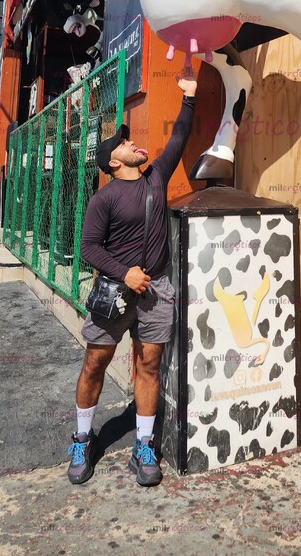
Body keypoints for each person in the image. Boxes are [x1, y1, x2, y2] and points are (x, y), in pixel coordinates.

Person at [67, 72, 197, 486]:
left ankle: (143, 446)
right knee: (96, 363)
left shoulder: (156, 176)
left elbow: (179, 135)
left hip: (156, 290)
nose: (132, 142)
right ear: (114, 162)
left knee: (149, 364)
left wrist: (189, 99)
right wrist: (124, 272)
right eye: (124, 143)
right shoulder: (102, 199)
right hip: (115, 293)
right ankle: (83, 438)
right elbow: (89, 247)